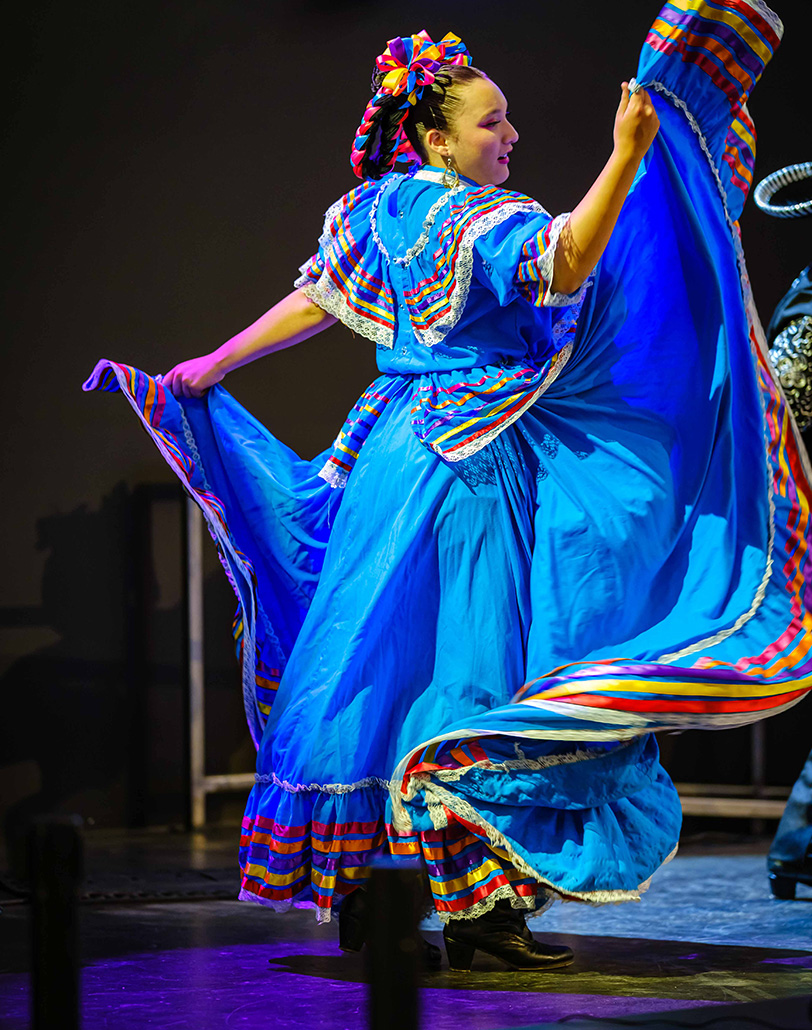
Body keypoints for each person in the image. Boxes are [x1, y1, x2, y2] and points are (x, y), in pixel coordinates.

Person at [86, 2, 811, 971]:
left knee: (371, 661)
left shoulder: (374, 209)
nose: (508, 136)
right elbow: (564, 260)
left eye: (508, 120)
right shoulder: (481, 218)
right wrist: (628, 152)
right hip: (473, 465)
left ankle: (364, 896)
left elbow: (318, 295)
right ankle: (480, 911)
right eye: (490, 122)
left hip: (388, 452)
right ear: (433, 134)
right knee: (473, 667)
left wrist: (216, 361)